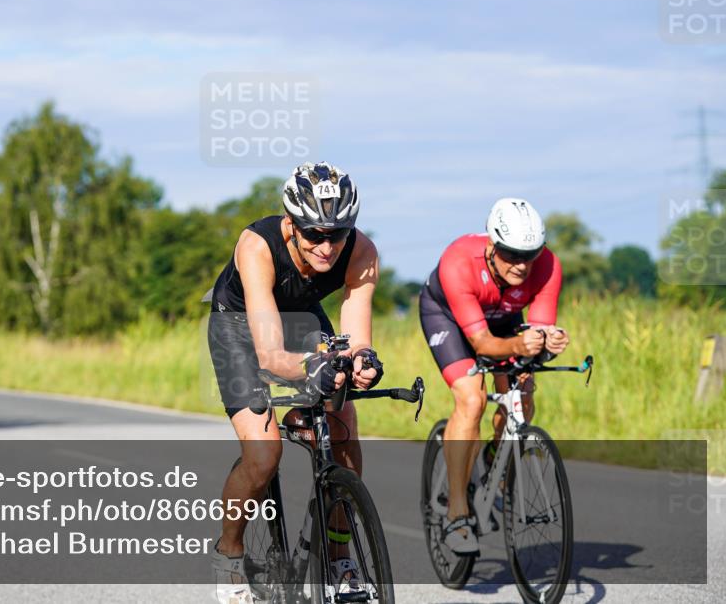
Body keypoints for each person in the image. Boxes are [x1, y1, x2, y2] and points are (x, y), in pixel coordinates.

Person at [207, 162, 384, 603]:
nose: (327, 246)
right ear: (291, 225)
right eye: (314, 234)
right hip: (241, 330)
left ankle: (341, 559)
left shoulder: (361, 251)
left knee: (343, 422)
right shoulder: (257, 246)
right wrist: (315, 366)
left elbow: (357, 335)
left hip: (302, 322)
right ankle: (229, 551)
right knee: (264, 453)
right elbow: (269, 355)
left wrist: (361, 360)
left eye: (337, 234)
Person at [419, 197, 569, 555]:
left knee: (524, 395)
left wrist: (549, 340)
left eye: (530, 254)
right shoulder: (459, 261)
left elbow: (539, 329)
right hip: (450, 321)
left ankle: (492, 460)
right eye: (512, 254)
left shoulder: (547, 266)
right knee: (472, 400)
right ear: (492, 246)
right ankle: (457, 512)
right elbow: (482, 343)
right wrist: (520, 343)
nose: (522, 264)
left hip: (504, 321)